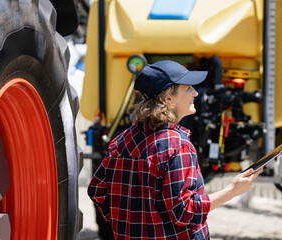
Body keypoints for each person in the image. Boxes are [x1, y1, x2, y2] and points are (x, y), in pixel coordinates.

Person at [88, 60, 262, 240]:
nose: (195, 92)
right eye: (187, 88)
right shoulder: (178, 146)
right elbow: (185, 211)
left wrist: (125, 221)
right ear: (168, 98)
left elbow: (96, 190)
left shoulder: (121, 141)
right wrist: (232, 191)